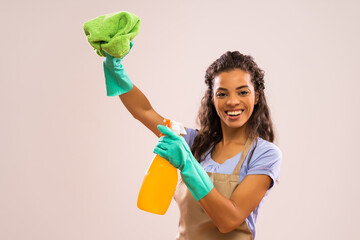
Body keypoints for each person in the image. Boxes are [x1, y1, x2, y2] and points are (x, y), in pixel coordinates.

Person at [102, 42, 282, 240]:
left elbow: (229, 220)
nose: (232, 101)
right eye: (222, 94)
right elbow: (144, 111)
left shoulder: (264, 154)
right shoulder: (195, 142)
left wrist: (188, 164)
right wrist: (114, 67)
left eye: (242, 92)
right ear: (212, 99)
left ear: (256, 96)